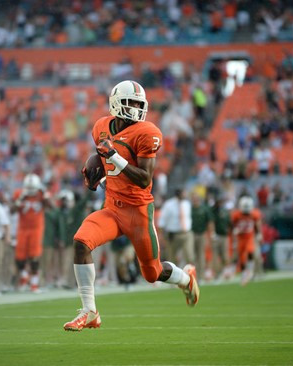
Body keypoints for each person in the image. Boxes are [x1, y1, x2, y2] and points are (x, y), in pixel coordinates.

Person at [63, 80, 199, 332]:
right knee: (81, 241)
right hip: (112, 209)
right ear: (116, 103)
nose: (136, 108)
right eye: (131, 103)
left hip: (138, 212)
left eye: (139, 104)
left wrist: (112, 156)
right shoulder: (101, 127)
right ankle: (89, 311)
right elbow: (104, 163)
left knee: (152, 273)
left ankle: (185, 278)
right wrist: (97, 173)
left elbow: (144, 179)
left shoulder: (147, 132)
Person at [11, 173, 52, 293]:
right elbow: (11, 210)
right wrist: (19, 200)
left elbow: (51, 207)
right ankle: (24, 276)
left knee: (34, 257)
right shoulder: (19, 194)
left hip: (36, 228)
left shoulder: (42, 194)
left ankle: (34, 284)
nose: (30, 191)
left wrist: (45, 197)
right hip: (22, 228)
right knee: (19, 258)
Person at [158, 188, 195, 267]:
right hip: (173, 235)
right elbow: (162, 221)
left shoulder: (187, 204)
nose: (185, 195)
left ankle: (191, 276)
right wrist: (161, 236)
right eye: (184, 193)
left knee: (189, 256)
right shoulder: (168, 205)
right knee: (172, 258)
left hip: (186, 233)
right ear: (179, 194)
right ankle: (175, 278)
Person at [230, 196, 262, 286]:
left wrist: (259, 233)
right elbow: (232, 224)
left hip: (249, 237)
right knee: (242, 257)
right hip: (240, 237)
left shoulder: (254, 213)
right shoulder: (236, 214)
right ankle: (244, 274)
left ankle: (250, 270)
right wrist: (235, 229)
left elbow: (257, 223)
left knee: (250, 251)